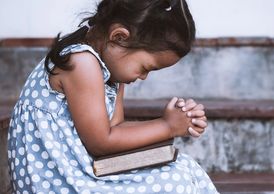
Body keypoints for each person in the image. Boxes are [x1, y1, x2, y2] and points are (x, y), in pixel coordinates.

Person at [7, 0, 219, 193]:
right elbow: (101, 142)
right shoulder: (81, 63)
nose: (143, 77)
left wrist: (176, 122)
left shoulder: (110, 68)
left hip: (80, 172)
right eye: (146, 68)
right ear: (119, 37)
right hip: (57, 182)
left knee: (185, 166)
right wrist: (167, 126)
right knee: (174, 182)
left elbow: (115, 128)